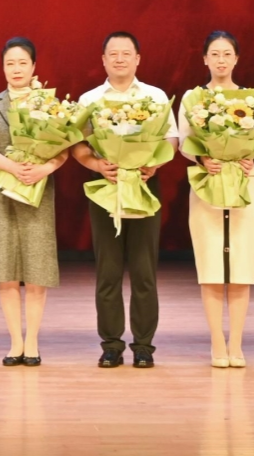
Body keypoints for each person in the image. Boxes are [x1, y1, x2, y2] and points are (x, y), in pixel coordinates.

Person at [69, 32, 177, 368]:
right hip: (106, 187)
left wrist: (154, 163)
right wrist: (96, 164)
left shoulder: (155, 97)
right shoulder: (90, 99)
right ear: (103, 60)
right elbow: (77, 144)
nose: (119, 59)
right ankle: (111, 345)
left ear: (137, 59)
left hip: (144, 185)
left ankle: (144, 346)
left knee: (144, 271)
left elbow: (171, 138)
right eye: (112, 54)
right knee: (108, 270)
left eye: (126, 53)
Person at [0, 37, 66, 366]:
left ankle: (32, 343)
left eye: (22, 63)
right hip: (1, 190)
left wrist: (44, 169)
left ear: (33, 67)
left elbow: (63, 150)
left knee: (36, 268)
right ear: (3, 68)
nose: (16, 69)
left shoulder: (49, 102)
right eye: (10, 63)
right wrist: (13, 168)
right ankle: (15, 342)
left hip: (37, 190)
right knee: (7, 269)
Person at [179, 30, 254, 369]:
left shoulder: (251, 99)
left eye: (227, 54)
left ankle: (237, 343)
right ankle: (217, 341)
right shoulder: (193, 98)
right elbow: (184, 141)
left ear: (236, 59)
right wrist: (202, 158)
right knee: (211, 265)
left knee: (242, 265)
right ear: (205, 59)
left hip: (244, 182)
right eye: (214, 54)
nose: (221, 60)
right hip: (208, 183)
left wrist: (251, 158)